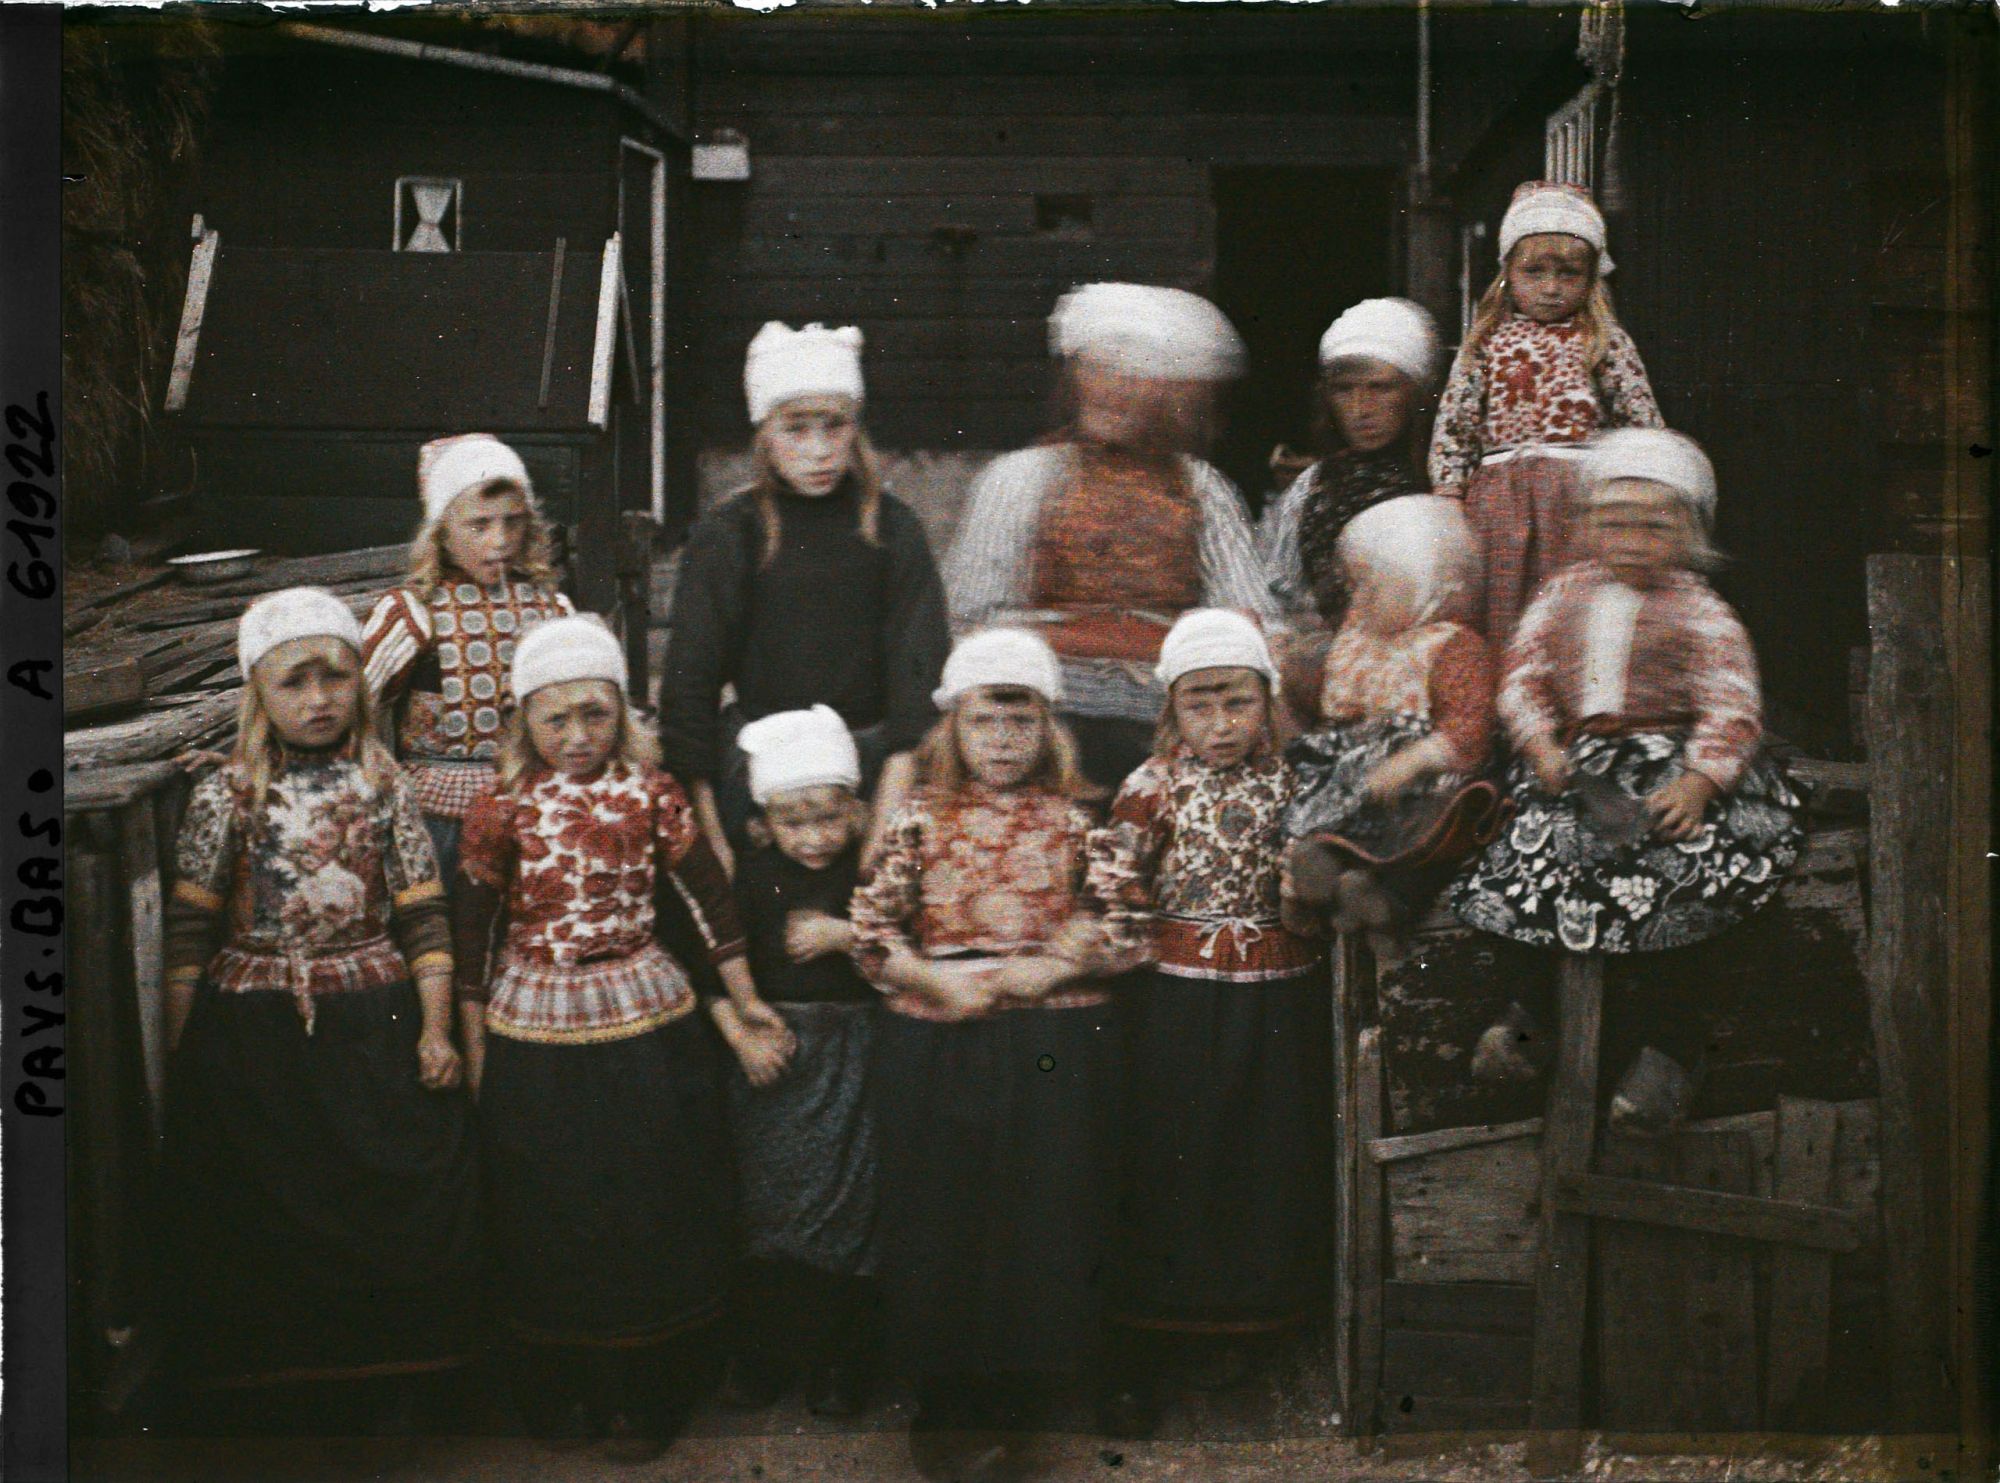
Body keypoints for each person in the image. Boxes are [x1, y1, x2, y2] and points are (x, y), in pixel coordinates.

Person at [453, 615, 791, 1460]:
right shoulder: (500, 806)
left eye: (595, 715)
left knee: (645, 1192)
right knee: (549, 1198)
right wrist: (474, 1042)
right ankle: (562, 1384)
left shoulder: (652, 792)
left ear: (622, 715)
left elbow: (711, 902)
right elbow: (473, 929)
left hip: (642, 1010)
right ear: (524, 720)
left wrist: (744, 1000)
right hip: (533, 1019)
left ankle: (646, 1389)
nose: (576, 736)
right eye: (555, 717)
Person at [159, 587, 477, 1431]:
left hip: (372, 1015)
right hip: (253, 1026)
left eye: (335, 678)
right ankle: (281, 1402)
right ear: (259, 693)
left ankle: (394, 1385)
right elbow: (190, 925)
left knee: (386, 1190)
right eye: (294, 682)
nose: (318, 699)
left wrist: (437, 1028)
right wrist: (182, 1047)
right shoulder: (227, 793)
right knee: (266, 1203)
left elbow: (422, 910)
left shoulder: (383, 785)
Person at [1448, 430, 1806, 1132]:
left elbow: (1732, 704)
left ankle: (1670, 1052)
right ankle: (1530, 1022)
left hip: (1669, 763)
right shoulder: (1561, 596)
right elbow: (1522, 679)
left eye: (1655, 524)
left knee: (1684, 868)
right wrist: (1540, 742)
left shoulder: (1702, 611)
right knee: (1525, 859)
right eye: (1615, 522)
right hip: (1579, 768)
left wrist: (1702, 780)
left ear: (1691, 530)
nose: (1634, 539)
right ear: (1584, 526)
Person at [849, 628, 1119, 1480]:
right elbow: (870, 929)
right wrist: (931, 980)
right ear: (952, 730)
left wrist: (1058, 959)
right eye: (984, 722)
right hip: (940, 1033)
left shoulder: (1077, 818)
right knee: (944, 1203)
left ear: (1048, 729)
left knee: (1039, 1199)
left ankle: (1022, 1392)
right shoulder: (919, 819)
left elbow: (1122, 913)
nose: (1002, 741)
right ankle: (945, 1389)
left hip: (1048, 1034)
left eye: (1020, 722)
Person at [1084, 610, 1329, 1439]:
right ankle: (1158, 1332)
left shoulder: (1298, 778)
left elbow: (1321, 866)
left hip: (1277, 997)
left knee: (1263, 1150)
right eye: (1199, 706)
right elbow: (1113, 876)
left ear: (1267, 699)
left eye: (1237, 703)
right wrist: (1124, 949)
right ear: (1172, 710)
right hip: (1178, 1004)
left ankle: (1253, 1325)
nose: (1220, 726)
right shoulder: (1152, 783)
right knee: (1176, 1150)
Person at [945, 282, 1280, 792]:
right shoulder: (1021, 480)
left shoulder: (1202, 489)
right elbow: (976, 622)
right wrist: (1144, 637)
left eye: (1134, 377)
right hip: (1048, 714)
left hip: (1171, 713)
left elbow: (1248, 622)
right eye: (1099, 370)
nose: (1113, 390)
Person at [658, 321, 951, 870]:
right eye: (796, 429)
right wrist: (709, 828)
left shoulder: (892, 528)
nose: (818, 450)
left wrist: (889, 803)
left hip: (869, 766)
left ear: (854, 428)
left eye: (833, 426)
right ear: (764, 431)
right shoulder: (731, 531)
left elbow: (920, 673)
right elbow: (690, 679)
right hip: (761, 767)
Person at [718, 705, 883, 1419]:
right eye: (794, 822)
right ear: (766, 820)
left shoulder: (871, 870)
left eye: (827, 818)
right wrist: (742, 1035)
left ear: (854, 809)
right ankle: (766, 1355)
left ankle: (841, 1361)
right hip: (775, 1051)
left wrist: (848, 934)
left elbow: (906, 946)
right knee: (772, 1206)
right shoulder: (752, 879)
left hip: (855, 1050)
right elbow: (710, 966)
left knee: (851, 1205)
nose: (813, 838)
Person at [1430, 182, 1664, 641]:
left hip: (1577, 500)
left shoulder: (1604, 340)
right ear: (1508, 273)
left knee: (1572, 606)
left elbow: (1641, 422)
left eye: (1569, 274)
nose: (1551, 289)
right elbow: (1456, 424)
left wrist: (1641, 483)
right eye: (1534, 272)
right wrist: (1449, 494)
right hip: (1500, 501)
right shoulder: (1487, 341)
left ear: (1592, 278)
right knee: (1504, 605)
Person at [1279, 496, 1504, 937]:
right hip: (1357, 779)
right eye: (1353, 586)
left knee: (1430, 845)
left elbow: (1470, 725)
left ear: (1426, 584)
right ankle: (1317, 878)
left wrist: (1417, 759)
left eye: (1372, 586)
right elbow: (1328, 701)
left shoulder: (1452, 646)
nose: (1358, 599)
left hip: (1422, 784)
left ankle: (1384, 899)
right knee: (1317, 819)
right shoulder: (1356, 638)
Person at [360, 433, 574, 883]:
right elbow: (357, 701)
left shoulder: (552, 610)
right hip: (439, 817)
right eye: (479, 525)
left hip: (530, 804)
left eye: (513, 522)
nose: (500, 541)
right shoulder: (412, 612)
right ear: (440, 531)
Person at [1263, 297, 1441, 626]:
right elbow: (1281, 592)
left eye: (1380, 388)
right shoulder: (1314, 485)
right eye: (1344, 390)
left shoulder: (1448, 479)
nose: (1361, 408)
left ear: (1416, 393)